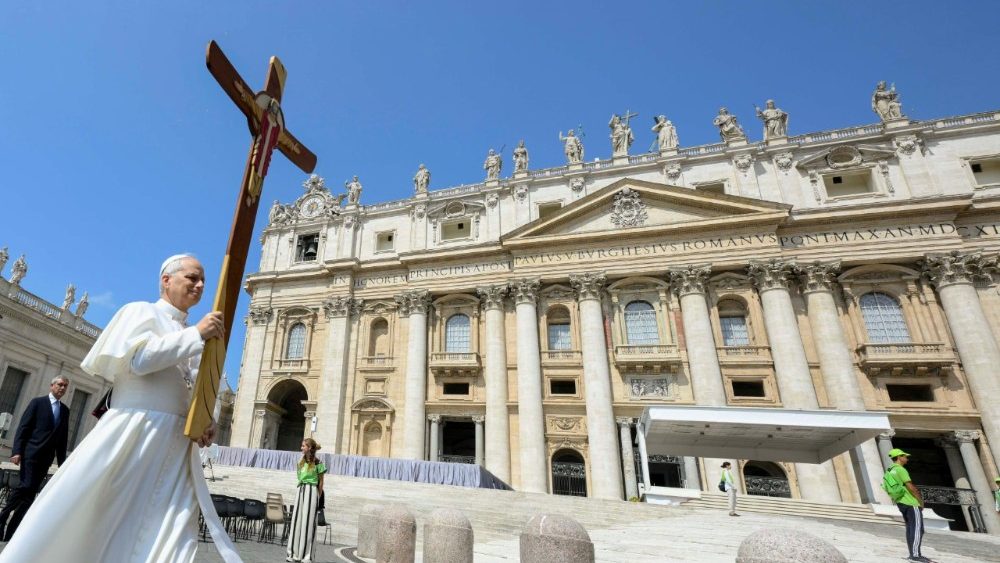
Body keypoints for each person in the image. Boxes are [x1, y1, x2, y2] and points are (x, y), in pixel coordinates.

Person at [0, 254, 239, 563]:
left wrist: (208, 417)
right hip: (136, 434)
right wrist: (195, 335)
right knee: (102, 523)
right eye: (192, 278)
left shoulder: (195, 333)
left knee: (174, 533)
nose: (200, 285)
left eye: (203, 279)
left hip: (179, 448)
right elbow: (139, 362)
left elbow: (198, 386)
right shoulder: (141, 312)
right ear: (166, 280)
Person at [0, 376, 70, 540]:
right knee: (26, 486)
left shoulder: (65, 410)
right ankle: (2, 516)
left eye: (65, 386)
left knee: (30, 495)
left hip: (46, 459)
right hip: (30, 454)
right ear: (52, 385)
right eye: (60, 385)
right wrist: (16, 451)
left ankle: (12, 530)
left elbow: (62, 439)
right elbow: (23, 428)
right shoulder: (37, 403)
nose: (63, 388)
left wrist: (62, 464)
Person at [884, 448, 927, 562]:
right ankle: (915, 555)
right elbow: (911, 487)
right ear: (899, 457)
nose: (907, 459)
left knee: (910, 528)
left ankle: (912, 554)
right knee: (918, 529)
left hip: (901, 502)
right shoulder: (900, 470)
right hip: (910, 502)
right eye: (905, 456)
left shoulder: (890, 470)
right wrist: (920, 501)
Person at [287, 438, 326, 563]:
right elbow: (299, 477)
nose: (301, 448)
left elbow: (321, 483)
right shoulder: (301, 462)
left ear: (309, 447)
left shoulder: (319, 463)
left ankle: (307, 555)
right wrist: (299, 463)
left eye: (303, 446)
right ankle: (292, 553)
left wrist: (317, 496)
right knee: (297, 521)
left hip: (311, 491)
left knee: (309, 524)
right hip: (301, 490)